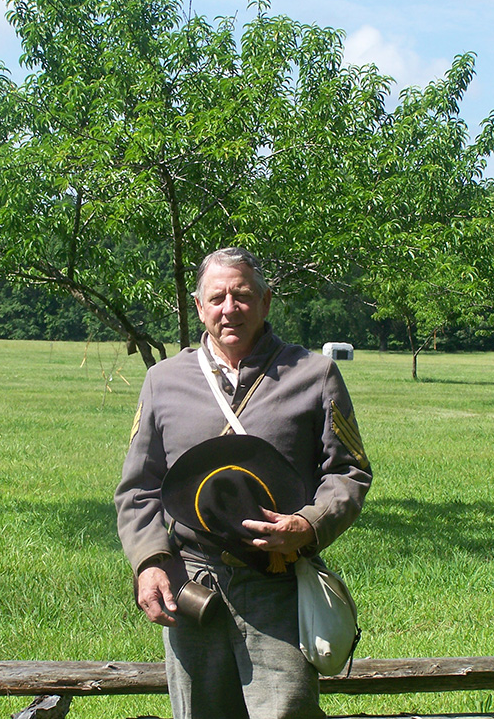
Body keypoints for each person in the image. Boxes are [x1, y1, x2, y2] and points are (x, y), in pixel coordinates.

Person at [115, 247, 372, 719]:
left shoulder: (315, 376)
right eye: (217, 298)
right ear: (198, 306)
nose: (229, 308)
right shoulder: (163, 381)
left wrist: (309, 525)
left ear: (267, 302)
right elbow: (138, 489)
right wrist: (150, 561)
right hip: (193, 588)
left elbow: (348, 472)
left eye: (242, 296)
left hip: (277, 585)